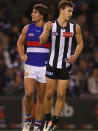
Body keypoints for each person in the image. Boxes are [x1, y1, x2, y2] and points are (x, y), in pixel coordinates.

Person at [40, 0, 83, 130]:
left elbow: (80, 43)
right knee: (49, 94)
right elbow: (42, 41)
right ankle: (47, 119)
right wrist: (46, 30)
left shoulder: (75, 27)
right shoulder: (50, 25)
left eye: (71, 11)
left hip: (65, 66)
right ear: (61, 10)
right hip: (52, 65)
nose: (70, 13)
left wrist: (75, 56)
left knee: (61, 94)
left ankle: (54, 121)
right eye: (68, 11)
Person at [17, 4, 49, 131]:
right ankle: (28, 119)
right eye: (32, 12)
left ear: (41, 15)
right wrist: (22, 55)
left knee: (41, 98)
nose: (32, 14)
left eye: (35, 12)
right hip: (30, 65)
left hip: (44, 67)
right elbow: (19, 43)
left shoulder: (49, 28)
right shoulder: (27, 28)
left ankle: (37, 125)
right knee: (29, 93)